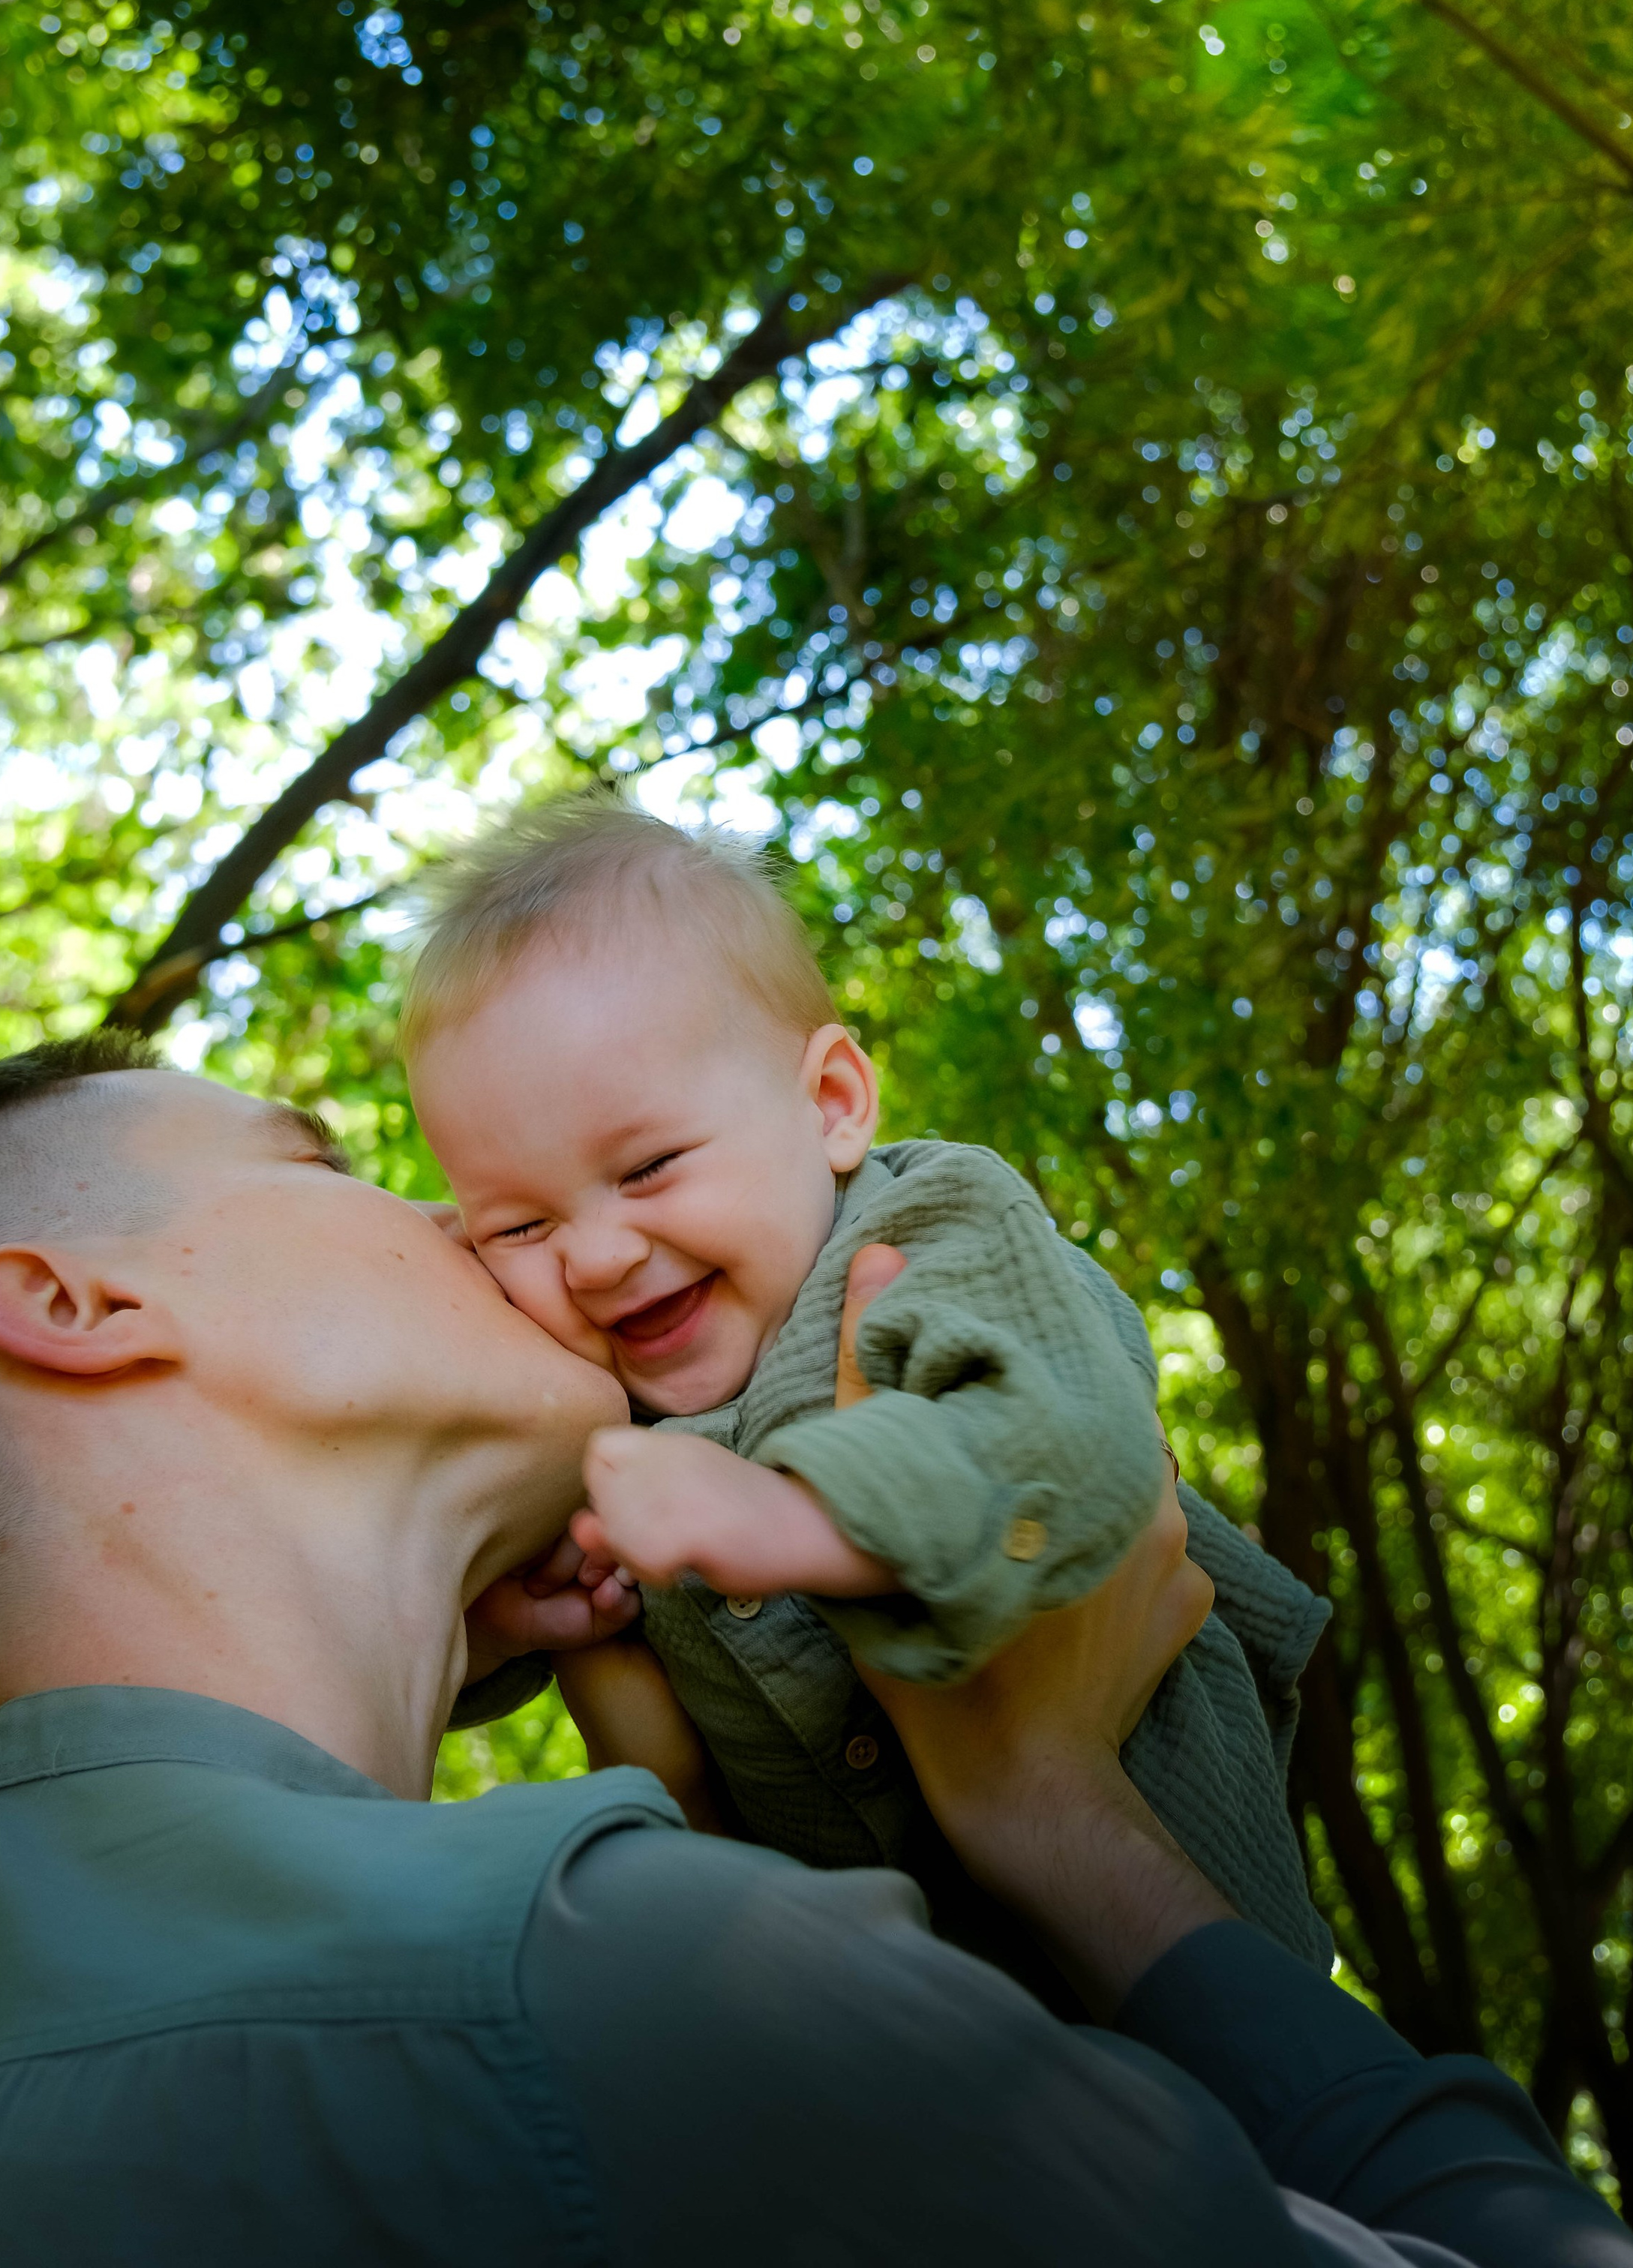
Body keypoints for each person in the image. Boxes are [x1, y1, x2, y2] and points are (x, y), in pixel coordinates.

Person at [0, 1035, 1633, 2266]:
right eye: (320, 1161)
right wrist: (1051, 1814)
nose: (472, 1229)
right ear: (80, 1309)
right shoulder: (602, 1982)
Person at [409, 790, 1329, 1966]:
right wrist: (496, 1633)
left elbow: (1070, 1446)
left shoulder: (934, 1233)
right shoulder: (594, 1406)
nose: (593, 1257)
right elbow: (397, 1667)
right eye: (521, 1226)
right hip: (907, 2028)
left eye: (648, 1167)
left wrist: (812, 1517)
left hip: (1185, 1940)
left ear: (831, 1106)